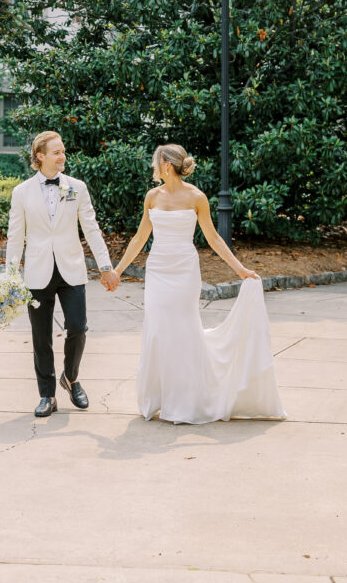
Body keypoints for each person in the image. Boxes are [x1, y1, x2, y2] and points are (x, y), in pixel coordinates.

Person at [114, 143, 285, 424]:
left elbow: (214, 238)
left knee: (182, 329)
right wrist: (118, 270)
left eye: (155, 162)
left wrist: (241, 270)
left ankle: (186, 400)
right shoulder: (151, 197)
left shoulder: (197, 197)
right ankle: (160, 397)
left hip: (184, 271)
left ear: (167, 166)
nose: (152, 167)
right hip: (158, 271)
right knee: (157, 330)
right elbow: (139, 238)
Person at [6, 131, 120, 417]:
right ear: (40, 155)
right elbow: (15, 236)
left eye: (63, 151)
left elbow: (91, 228)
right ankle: (47, 395)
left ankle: (71, 378)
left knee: (78, 327)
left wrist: (105, 267)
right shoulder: (22, 192)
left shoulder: (77, 187)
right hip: (37, 271)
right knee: (40, 336)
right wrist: (10, 276)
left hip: (71, 269)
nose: (63, 156)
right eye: (56, 152)